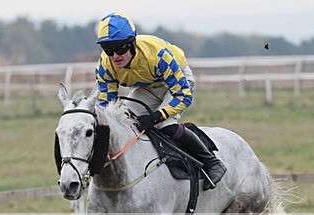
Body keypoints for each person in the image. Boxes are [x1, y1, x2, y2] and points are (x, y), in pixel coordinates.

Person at [94, 12, 226, 190]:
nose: (115, 56)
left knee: (165, 125)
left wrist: (157, 116)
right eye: (108, 50)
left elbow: (183, 96)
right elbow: (106, 108)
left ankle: (211, 162)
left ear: (132, 43)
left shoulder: (157, 55)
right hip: (146, 88)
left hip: (177, 84)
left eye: (120, 48)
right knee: (123, 124)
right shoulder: (105, 66)